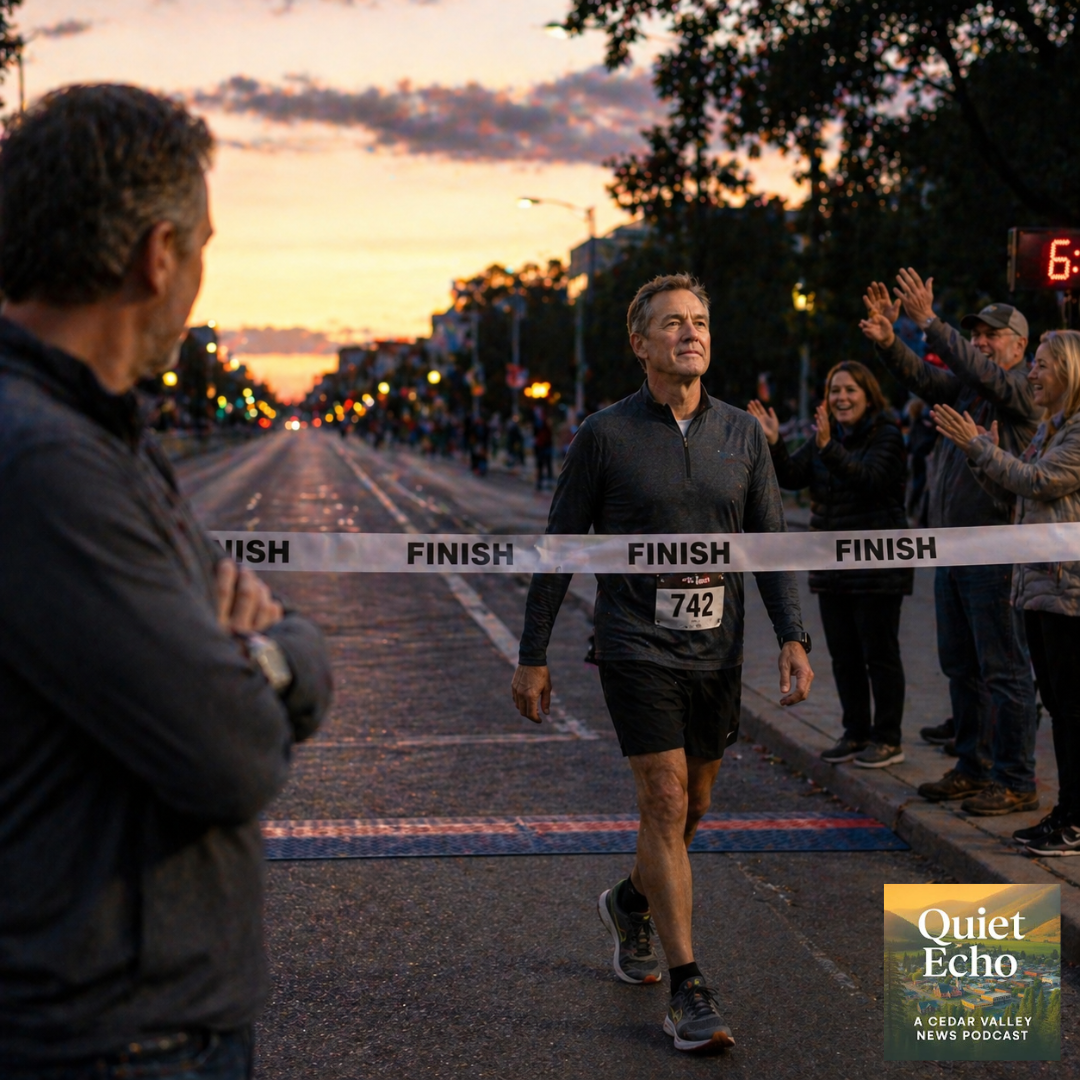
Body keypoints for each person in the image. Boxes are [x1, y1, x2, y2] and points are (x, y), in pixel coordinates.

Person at [0, 86, 333, 1077]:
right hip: (104, 1037)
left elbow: (261, 659)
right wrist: (269, 660)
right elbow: (229, 750)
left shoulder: (102, 439)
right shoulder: (45, 463)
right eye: (202, 248)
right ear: (157, 255)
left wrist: (252, 659)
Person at [511, 273, 813, 1053]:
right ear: (639, 343)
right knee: (666, 801)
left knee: (696, 806)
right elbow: (560, 549)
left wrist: (793, 635)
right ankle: (689, 990)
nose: (691, 334)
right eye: (673, 323)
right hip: (633, 645)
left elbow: (772, 544)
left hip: (716, 649)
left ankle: (629, 902)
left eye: (701, 322)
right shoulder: (603, 435)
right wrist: (532, 653)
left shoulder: (743, 434)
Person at [860, 272, 1040, 816]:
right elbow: (927, 381)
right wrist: (892, 341)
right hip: (954, 552)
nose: (981, 342)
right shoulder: (970, 387)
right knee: (960, 666)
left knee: (1004, 671)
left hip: (996, 555)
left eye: (991, 334)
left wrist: (930, 324)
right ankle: (973, 766)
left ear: (1020, 346)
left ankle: (1016, 778)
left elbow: (974, 371)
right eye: (975, 334)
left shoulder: (1022, 392)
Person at [933, 330, 1080, 854]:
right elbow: (1016, 494)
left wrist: (979, 447)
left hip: (1067, 592)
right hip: (1039, 588)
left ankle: (1072, 818)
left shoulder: (1077, 433)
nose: (1033, 375)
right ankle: (1065, 814)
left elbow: (1039, 483)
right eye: (1034, 365)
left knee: (1068, 708)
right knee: (1060, 707)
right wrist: (984, 454)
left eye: (1041, 366)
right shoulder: (1050, 429)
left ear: (1069, 372)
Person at [749, 361, 912, 768]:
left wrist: (828, 448)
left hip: (878, 570)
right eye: (834, 390)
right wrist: (773, 443)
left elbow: (871, 480)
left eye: (850, 390)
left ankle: (888, 738)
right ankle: (855, 732)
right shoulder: (828, 437)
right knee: (844, 655)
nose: (841, 397)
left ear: (868, 394)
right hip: (832, 569)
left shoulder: (886, 435)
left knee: (881, 655)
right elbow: (791, 475)